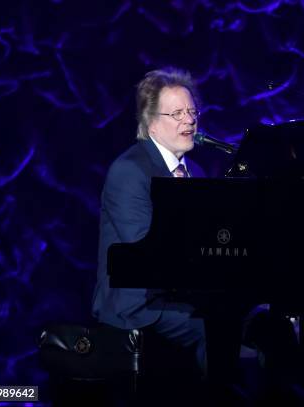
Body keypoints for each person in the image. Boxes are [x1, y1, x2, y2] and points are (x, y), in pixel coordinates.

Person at [91, 68, 207, 377]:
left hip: (183, 295)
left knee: (265, 325)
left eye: (193, 112)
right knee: (215, 329)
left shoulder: (197, 170)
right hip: (141, 304)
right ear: (152, 124)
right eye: (178, 113)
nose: (190, 120)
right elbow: (143, 251)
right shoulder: (129, 171)